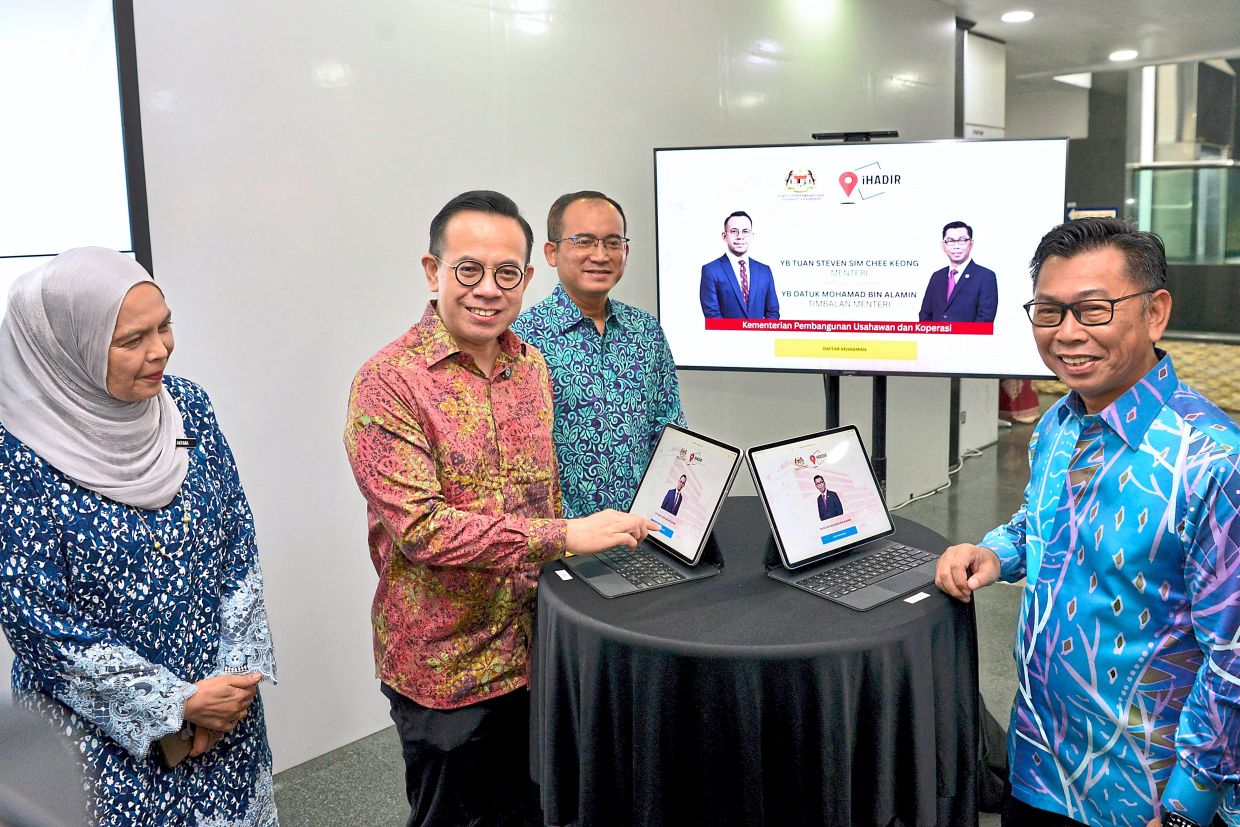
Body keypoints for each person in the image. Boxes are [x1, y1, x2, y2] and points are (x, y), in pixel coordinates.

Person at [343, 190, 653, 827]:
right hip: (447, 669)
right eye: (469, 270)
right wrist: (565, 534)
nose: (488, 289)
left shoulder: (530, 367)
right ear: (433, 273)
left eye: (506, 273)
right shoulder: (388, 382)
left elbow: (541, 494)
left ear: (526, 278)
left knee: (539, 811)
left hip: (539, 652)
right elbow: (422, 531)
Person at [934, 219, 1239, 827]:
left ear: (1155, 313)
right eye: (1048, 312)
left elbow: (1233, 658)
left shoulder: (1213, 462)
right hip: (1040, 764)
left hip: (1143, 794)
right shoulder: (1060, 423)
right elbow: (1039, 519)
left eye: (1093, 309)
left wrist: (1185, 807)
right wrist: (997, 553)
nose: (1068, 334)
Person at [0, 247, 279, 826]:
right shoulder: (15, 455)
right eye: (131, 340)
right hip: (102, 745)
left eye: (165, 325)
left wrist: (235, 681)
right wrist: (172, 705)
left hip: (223, 712)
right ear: (63, 350)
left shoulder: (188, 409)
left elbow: (237, 545)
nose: (160, 351)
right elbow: (37, 621)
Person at [512, 190, 685, 516]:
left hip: (640, 536)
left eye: (612, 242)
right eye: (584, 241)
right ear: (552, 252)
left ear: (626, 250)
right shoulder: (521, 339)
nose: (601, 255)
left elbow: (669, 433)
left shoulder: (646, 331)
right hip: (559, 542)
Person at [700, 211, 780, 319]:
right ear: (724, 236)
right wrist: (737, 336)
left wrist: (761, 335)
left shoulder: (764, 271)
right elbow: (712, 315)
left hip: (760, 336)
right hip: (724, 336)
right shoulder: (711, 270)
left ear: (751, 235)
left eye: (745, 231)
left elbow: (773, 312)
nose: (740, 236)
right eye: (734, 231)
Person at [918, 220, 998, 323]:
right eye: (950, 241)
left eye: (962, 240)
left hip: (970, 339)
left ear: (971, 244)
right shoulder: (937, 277)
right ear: (943, 245)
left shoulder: (985, 276)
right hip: (935, 339)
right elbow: (925, 315)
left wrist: (959, 339)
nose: (956, 246)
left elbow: (985, 319)